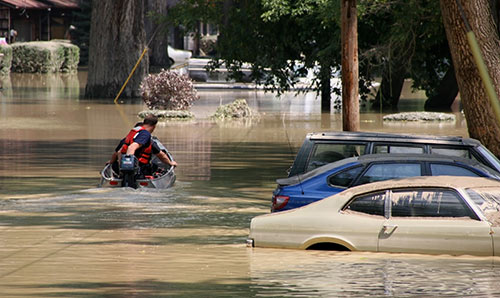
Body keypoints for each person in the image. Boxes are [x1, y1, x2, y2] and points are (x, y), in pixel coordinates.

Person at [107, 116, 177, 176]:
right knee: (155, 167)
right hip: (140, 169)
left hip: (122, 168)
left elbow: (118, 152)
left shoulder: (129, 136)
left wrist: (112, 162)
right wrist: (170, 163)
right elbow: (160, 155)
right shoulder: (145, 135)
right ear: (154, 126)